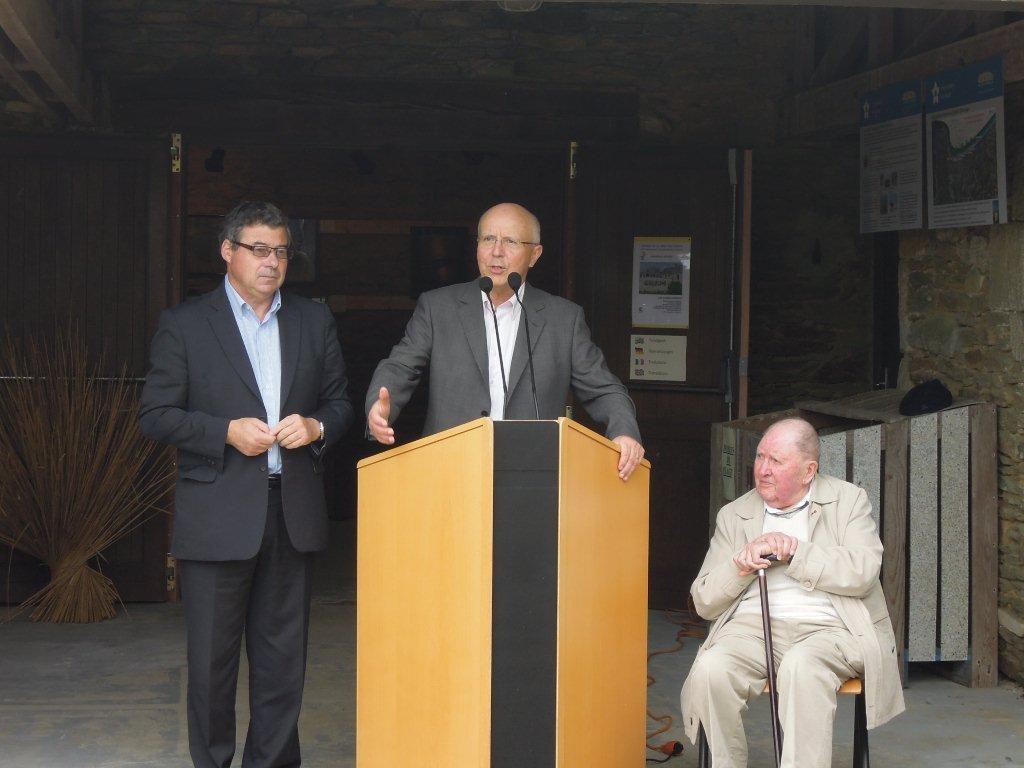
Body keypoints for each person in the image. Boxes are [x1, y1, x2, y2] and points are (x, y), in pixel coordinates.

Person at [139, 201, 354, 768]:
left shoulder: (314, 319)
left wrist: (316, 426)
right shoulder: (185, 324)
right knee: (212, 664)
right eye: (259, 250)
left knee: (284, 662)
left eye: (281, 251)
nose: (272, 262)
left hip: (292, 511)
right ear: (227, 252)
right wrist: (223, 432)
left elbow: (340, 403)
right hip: (217, 517)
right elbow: (155, 414)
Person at [680, 418, 904, 768]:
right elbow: (705, 601)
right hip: (752, 629)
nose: (763, 470)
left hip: (831, 630)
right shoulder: (735, 514)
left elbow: (863, 570)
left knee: (802, 667)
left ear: (808, 470)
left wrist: (797, 552)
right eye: (760, 457)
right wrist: (739, 567)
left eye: (776, 461)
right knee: (711, 669)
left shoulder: (847, 501)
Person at [365, 202, 644, 480]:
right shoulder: (438, 308)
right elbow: (400, 366)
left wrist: (624, 433)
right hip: (449, 470)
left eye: (510, 241)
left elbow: (604, 389)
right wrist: (377, 409)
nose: (496, 252)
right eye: (488, 239)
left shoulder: (564, 319)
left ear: (535, 255)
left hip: (531, 476)